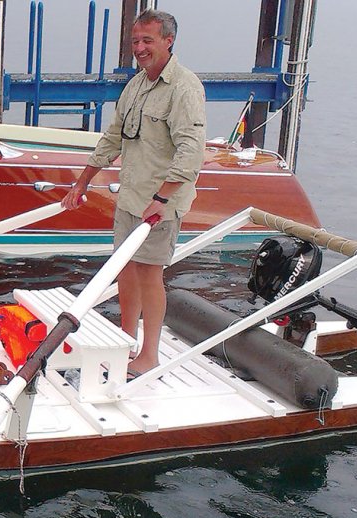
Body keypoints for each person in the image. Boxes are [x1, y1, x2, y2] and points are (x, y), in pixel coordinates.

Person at [60, 9, 206, 376]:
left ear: (168, 41)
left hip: (161, 202)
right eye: (135, 41)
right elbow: (113, 137)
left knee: (149, 272)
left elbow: (191, 152)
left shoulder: (185, 89)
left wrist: (161, 198)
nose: (140, 48)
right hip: (130, 196)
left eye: (148, 41)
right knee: (124, 269)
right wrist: (83, 180)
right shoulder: (136, 84)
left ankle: (149, 354)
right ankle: (126, 340)